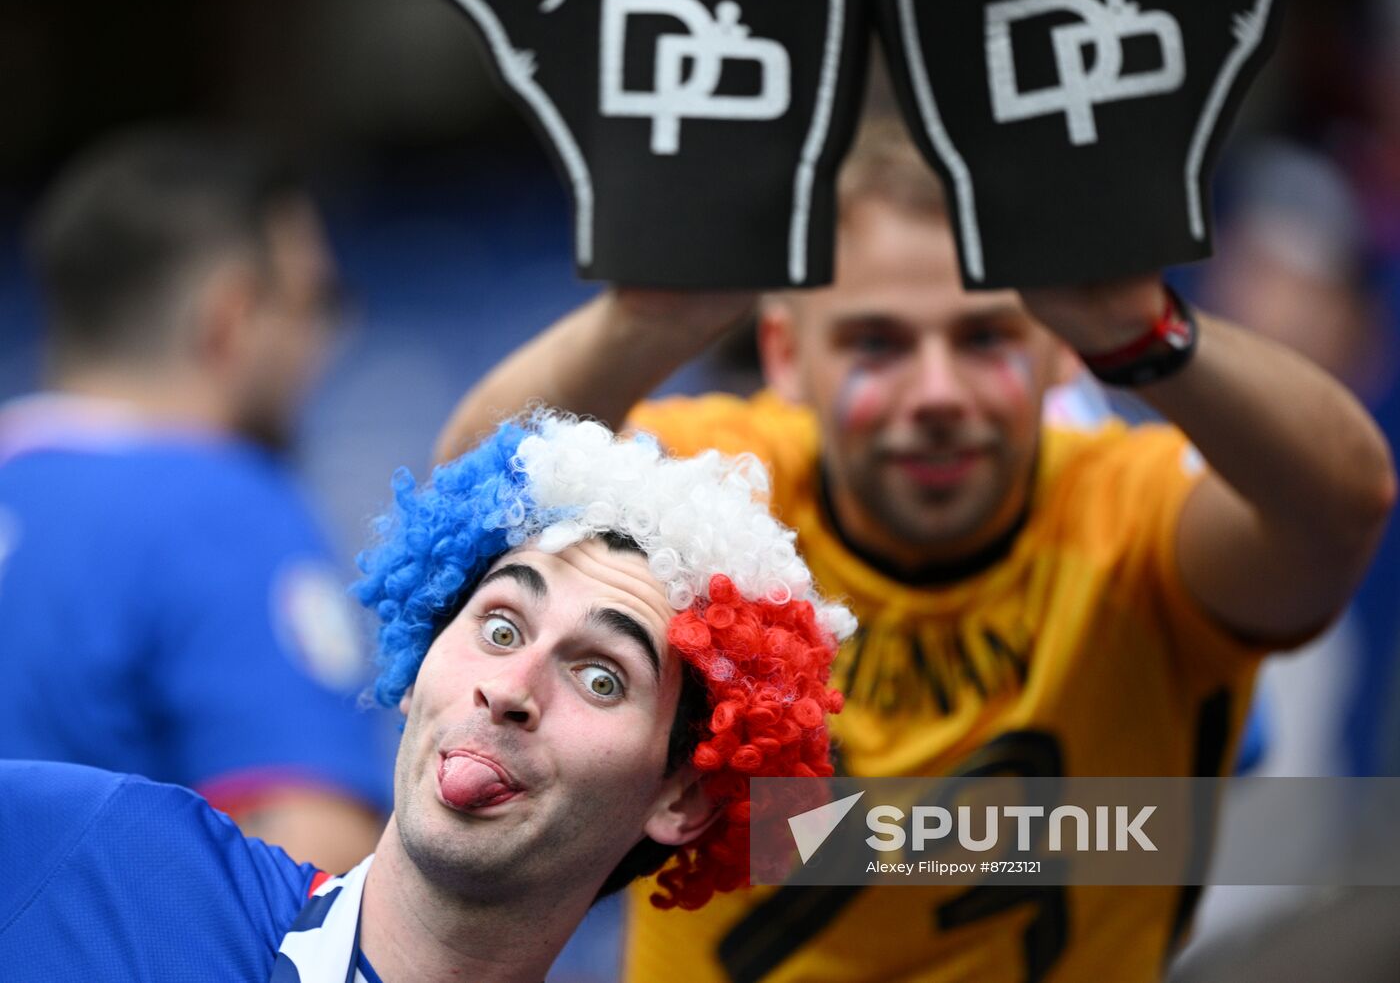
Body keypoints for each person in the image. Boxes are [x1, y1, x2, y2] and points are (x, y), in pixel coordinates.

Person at [436, 119, 1398, 982]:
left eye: (985, 337)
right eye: (877, 343)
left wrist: (1148, 332)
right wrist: (647, 321)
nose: (935, 391)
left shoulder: (1132, 516)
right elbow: (470, 506)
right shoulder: (723, 489)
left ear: (1064, 349)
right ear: (785, 355)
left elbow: (1345, 504)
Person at [0, 411, 850, 983]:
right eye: (501, 627)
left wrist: (972, 832)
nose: (509, 688)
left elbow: (911, 840)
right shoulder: (100, 851)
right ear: (415, 672)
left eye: (600, 677)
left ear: (685, 797)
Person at [0, 128, 387, 871]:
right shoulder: (220, 507)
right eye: (318, 300)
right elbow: (311, 860)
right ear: (232, 317)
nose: (324, 342)